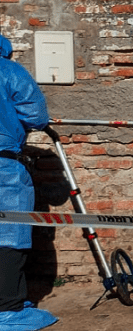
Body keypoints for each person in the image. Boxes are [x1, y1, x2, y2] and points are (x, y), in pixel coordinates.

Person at [0, 34, 58, 330]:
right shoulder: (8, 71)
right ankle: (7, 308)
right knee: (9, 234)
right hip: (3, 165)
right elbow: (35, 116)